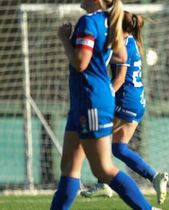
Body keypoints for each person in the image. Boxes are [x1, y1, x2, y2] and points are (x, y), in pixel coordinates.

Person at [50, 0, 160, 209]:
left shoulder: (88, 21)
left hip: (91, 101)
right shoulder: (109, 22)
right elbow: (121, 54)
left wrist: (65, 39)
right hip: (83, 102)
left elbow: (81, 63)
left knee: (102, 169)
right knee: (69, 167)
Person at [80, 11, 169, 205]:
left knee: (96, 135)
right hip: (137, 102)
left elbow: (120, 78)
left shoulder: (124, 44)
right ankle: (155, 176)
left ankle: (103, 183)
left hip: (126, 100)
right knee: (118, 148)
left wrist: (104, 96)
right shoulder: (132, 42)